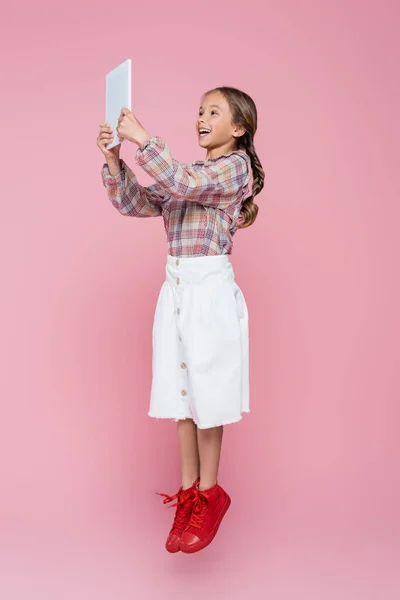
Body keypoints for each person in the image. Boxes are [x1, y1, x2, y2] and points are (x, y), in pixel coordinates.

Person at [97, 87, 265, 554]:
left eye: (214, 111)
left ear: (239, 127)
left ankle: (210, 494)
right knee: (182, 395)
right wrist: (115, 161)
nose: (201, 118)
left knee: (208, 396)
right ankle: (189, 491)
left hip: (208, 291)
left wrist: (142, 139)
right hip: (175, 291)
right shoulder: (186, 176)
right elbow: (137, 203)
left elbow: (183, 183)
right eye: (199, 111)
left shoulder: (234, 169)